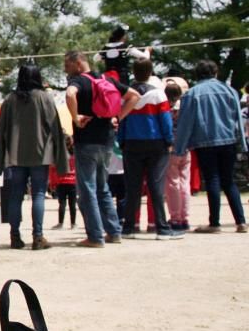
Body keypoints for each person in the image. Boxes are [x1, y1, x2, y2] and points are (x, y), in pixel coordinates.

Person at [0, 64, 68, 250]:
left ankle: (15, 237)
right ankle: (38, 237)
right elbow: (55, 128)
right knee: (38, 194)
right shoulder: (45, 98)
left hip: (15, 156)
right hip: (41, 155)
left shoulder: (9, 100)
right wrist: (60, 154)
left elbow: (1, 131)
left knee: (16, 195)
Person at [63, 50, 137, 247]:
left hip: (86, 141)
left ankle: (95, 236)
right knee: (103, 188)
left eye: (68, 65)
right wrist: (118, 117)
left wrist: (76, 117)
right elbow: (134, 96)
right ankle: (114, 232)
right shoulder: (107, 79)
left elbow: (70, 94)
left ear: (78, 63)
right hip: (106, 140)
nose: (65, 70)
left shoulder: (79, 81)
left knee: (87, 190)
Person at [172, 59, 247, 233]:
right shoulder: (229, 90)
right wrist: (242, 143)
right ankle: (241, 222)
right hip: (228, 140)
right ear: (215, 73)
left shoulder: (192, 94)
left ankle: (214, 223)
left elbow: (185, 123)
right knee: (229, 181)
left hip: (204, 142)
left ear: (197, 74)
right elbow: (237, 118)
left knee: (212, 179)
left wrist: (180, 148)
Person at [117, 58, 181, 240]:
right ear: (151, 71)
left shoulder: (127, 94)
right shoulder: (159, 95)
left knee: (132, 187)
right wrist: (169, 140)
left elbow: (121, 119)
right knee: (156, 186)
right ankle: (162, 228)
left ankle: (129, 227)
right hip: (156, 143)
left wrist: (121, 141)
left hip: (131, 142)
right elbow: (165, 120)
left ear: (133, 72)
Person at [163, 80, 191, 231]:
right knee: (184, 182)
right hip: (185, 147)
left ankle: (175, 218)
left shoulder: (166, 109)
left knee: (172, 183)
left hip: (170, 148)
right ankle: (185, 217)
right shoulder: (185, 108)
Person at [49, 137, 77, 229]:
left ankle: (60, 223)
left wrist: (52, 184)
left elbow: (52, 170)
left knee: (62, 203)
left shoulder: (59, 156)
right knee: (72, 204)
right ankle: (73, 223)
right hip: (73, 182)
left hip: (61, 182)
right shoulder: (75, 156)